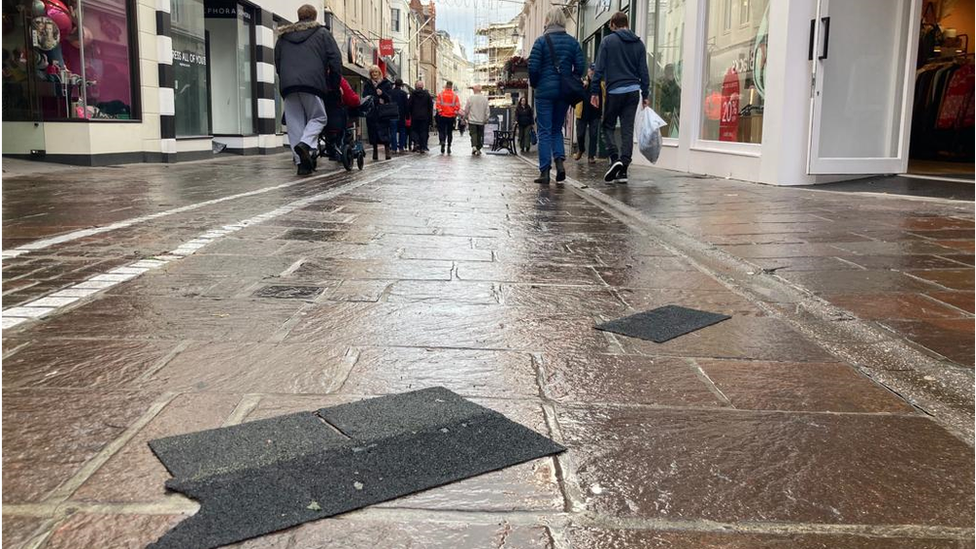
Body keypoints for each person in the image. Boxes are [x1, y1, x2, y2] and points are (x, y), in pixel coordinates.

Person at [274, 4, 342, 175]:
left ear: (299, 16)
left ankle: (302, 164)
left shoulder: (283, 37)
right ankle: (305, 144)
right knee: (319, 117)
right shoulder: (322, 34)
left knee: (294, 123)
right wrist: (333, 86)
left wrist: (285, 80)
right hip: (313, 84)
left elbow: (278, 61)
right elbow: (335, 60)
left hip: (288, 85)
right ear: (314, 16)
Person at [590, 11, 649, 184]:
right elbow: (643, 71)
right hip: (633, 92)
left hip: (615, 91)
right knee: (627, 129)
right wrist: (645, 94)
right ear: (627, 23)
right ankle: (623, 169)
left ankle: (615, 157)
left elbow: (598, 69)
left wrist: (594, 92)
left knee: (607, 125)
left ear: (614, 25)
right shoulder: (639, 43)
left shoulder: (608, 41)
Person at [528, 7, 585, 184]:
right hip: (563, 92)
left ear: (548, 21)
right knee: (557, 128)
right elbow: (581, 66)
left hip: (544, 93)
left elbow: (533, 67)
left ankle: (545, 171)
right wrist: (571, 79)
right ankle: (559, 162)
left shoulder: (540, 42)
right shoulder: (572, 42)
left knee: (544, 130)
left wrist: (536, 84)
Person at [363, 64, 393, 161]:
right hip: (372, 112)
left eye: (376, 72)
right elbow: (365, 96)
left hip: (383, 112)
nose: (374, 74)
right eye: (372, 72)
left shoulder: (386, 84)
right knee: (373, 132)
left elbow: (390, 98)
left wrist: (382, 94)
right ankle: (375, 151)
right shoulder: (368, 84)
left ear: (379, 73)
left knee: (384, 131)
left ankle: (387, 151)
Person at [574, 64, 600, 164]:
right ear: (588, 71)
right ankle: (581, 149)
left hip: (595, 113)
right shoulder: (582, 82)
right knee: (580, 134)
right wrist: (582, 85)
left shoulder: (599, 83)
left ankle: (591, 156)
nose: (592, 73)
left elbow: (604, 97)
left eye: (594, 71)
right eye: (591, 71)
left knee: (593, 135)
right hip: (582, 112)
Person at [407, 80, 433, 153]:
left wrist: (409, 114)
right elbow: (430, 106)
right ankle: (423, 146)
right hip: (425, 116)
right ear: (422, 86)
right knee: (423, 131)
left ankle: (416, 142)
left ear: (416, 86)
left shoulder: (412, 94)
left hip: (415, 116)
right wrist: (430, 118)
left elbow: (409, 105)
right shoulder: (427, 95)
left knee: (414, 130)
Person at [435, 80, 460, 154]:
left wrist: (440, 111)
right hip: (451, 116)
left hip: (442, 116)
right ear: (451, 87)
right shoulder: (455, 96)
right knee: (449, 132)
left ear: (446, 86)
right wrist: (454, 113)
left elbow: (438, 105)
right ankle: (449, 146)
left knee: (442, 130)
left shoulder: (441, 95)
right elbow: (457, 106)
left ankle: (442, 141)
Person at [464, 84, 490, 155]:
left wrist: (465, 116)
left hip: (472, 120)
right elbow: (487, 110)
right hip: (481, 120)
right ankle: (478, 148)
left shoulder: (470, 98)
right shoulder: (485, 99)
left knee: (473, 134)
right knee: (479, 135)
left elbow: (467, 109)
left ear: (475, 90)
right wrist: (486, 118)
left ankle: (474, 146)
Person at [657, 63, 680, 137]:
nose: (670, 74)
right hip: (664, 117)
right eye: (668, 71)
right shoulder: (660, 85)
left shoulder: (677, 86)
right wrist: (664, 113)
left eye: (671, 71)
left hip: (675, 116)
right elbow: (658, 102)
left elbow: (678, 102)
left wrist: (675, 112)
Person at [388, 78, 409, 154]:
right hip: (401, 115)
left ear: (395, 84)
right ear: (401, 85)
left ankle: (393, 148)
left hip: (392, 114)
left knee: (393, 131)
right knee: (402, 131)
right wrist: (407, 115)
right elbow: (406, 105)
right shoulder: (404, 93)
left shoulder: (390, 92)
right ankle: (401, 147)